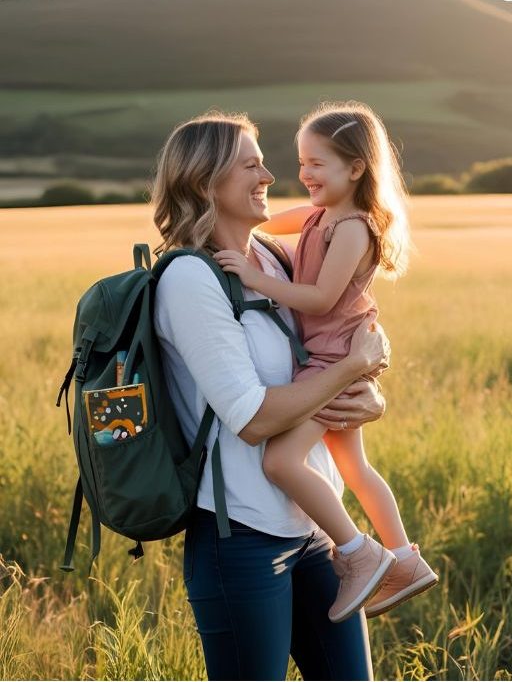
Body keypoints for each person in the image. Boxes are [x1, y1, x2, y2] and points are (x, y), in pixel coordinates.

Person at [150, 110, 389, 681]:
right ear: (205, 181)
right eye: (250, 163)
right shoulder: (191, 278)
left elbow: (336, 346)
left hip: (311, 531)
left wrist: (368, 393)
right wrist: (354, 366)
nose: (269, 174)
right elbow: (254, 419)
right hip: (242, 541)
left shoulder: (275, 259)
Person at [213, 101, 438, 624]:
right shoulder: (321, 217)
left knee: (280, 461)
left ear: (356, 168)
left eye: (317, 163)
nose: (303, 173)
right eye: (301, 162)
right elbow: (267, 222)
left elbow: (318, 298)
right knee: (353, 467)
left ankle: (360, 555)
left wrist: (256, 280)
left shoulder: (353, 228)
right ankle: (406, 559)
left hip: (333, 357)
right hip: (333, 355)